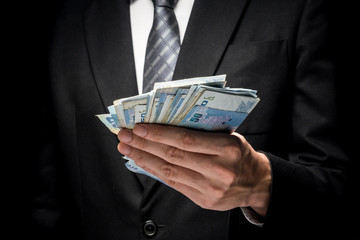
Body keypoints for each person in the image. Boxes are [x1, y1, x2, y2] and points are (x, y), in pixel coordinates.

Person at [30, 0, 355, 239]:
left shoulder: (298, 8)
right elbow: (47, 200)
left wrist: (261, 185)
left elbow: (339, 184)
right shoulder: (61, 17)